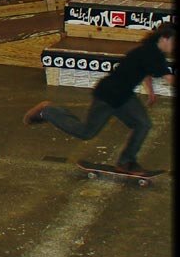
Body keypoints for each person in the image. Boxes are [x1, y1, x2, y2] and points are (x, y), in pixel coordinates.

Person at [23, 23, 176, 175]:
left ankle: (126, 162)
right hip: (108, 95)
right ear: (165, 38)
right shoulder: (152, 53)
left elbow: (147, 71)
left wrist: (151, 91)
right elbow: (169, 78)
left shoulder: (153, 52)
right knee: (86, 132)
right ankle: (48, 111)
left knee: (143, 124)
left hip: (124, 96)